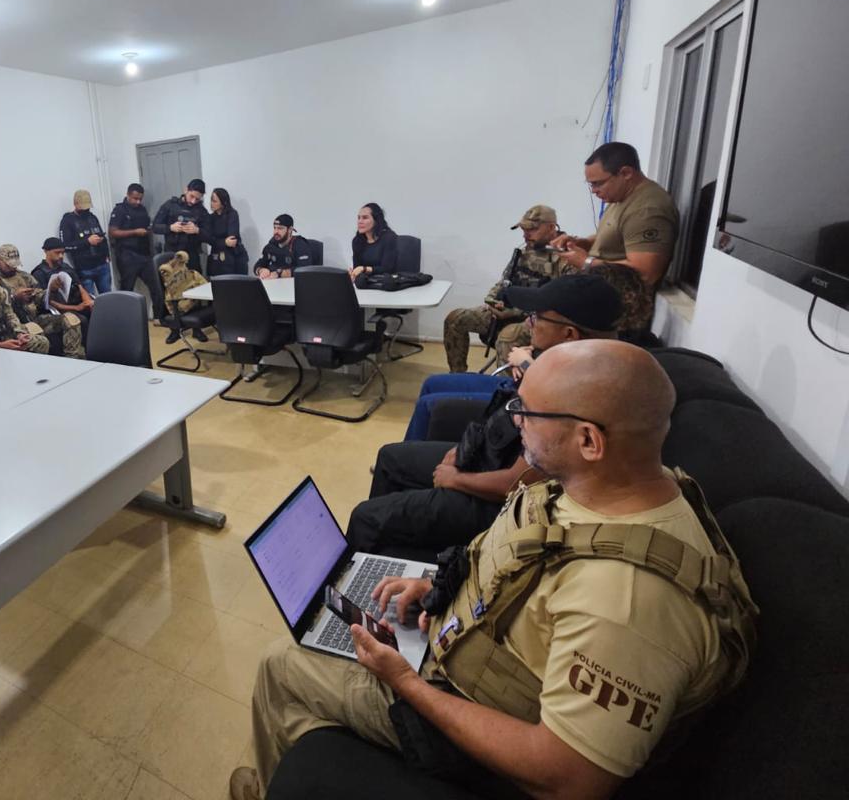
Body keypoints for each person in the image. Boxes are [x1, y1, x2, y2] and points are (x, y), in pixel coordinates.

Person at [232, 340, 757, 800]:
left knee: (282, 664)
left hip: (455, 705)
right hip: (455, 645)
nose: (515, 419)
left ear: (589, 441)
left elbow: (567, 779)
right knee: (315, 676)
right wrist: (434, 585)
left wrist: (406, 683)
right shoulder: (603, 485)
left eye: (528, 411)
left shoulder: (626, 603)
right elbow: (523, 566)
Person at [349, 273, 623, 561]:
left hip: (502, 508)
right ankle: (383, 559)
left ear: (568, 334)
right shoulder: (566, 365)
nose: (529, 324)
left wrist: (456, 479)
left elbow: (516, 484)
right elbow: (503, 422)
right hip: (489, 460)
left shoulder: (573, 397)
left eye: (536, 317)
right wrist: (464, 449)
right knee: (390, 458)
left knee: (366, 518)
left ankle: (362, 570)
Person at [551, 142, 679, 332]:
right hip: (599, 299)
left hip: (617, 314)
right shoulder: (620, 197)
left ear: (626, 173)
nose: (593, 190)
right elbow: (614, 235)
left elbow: (646, 272)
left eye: (598, 183)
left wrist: (586, 262)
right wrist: (582, 243)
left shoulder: (647, 210)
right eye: (590, 184)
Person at [442, 204, 570, 372]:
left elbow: (561, 304)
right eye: (523, 230)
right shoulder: (524, 251)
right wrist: (492, 299)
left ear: (551, 227)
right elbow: (505, 281)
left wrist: (515, 311)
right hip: (508, 310)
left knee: (507, 337)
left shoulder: (566, 257)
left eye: (532, 229)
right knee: (455, 319)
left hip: (540, 320)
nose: (526, 235)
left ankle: (507, 387)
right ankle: (457, 376)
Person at [0, 243, 85, 359]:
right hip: (15, 326)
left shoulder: (24, 276)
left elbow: (40, 297)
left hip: (35, 317)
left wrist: (51, 290)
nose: (12, 268)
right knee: (35, 330)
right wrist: (14, 297)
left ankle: (72, 357)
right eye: (9, 265)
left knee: (71, 319)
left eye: (15, 264)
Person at [109, 183, 166, 321]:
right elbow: (113, 232)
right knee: (127, 290)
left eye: (140, 199)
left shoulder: (142, 209)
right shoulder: (120, 210)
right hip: (127, 255)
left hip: (144, 255)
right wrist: (135, 232)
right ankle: (125, 320)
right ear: (128, 195)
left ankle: (159, 317)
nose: (138, 201)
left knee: (157, 286)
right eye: (135, 198)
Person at [31, 237, 94, 340]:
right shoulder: (39, 273)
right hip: (56, 310)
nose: (60, 256)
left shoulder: (65, 267)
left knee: (96, 313)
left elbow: (80, 287)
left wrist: (88, 303)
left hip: (73, 303)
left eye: (62, 253)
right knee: (81, 320)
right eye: (57, 253)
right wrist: (76, 308)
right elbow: (48, 302)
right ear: (46, 251)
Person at [58, 189, 112, 296]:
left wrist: (106, 254)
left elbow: (102, 236)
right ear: (75, 204)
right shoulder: (68, 221)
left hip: (102, 265)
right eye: (83, 207)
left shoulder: (92, 217)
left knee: (108, 298)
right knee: (90, 300)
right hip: (84, 269)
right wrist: (87, 242)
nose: (86, 210)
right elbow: (65, 246)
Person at [153, 177, 211, 275]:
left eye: (197, 199)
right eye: (191, 196)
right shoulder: (170, 205)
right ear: (186, 190)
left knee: (196, 284)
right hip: (172, 256)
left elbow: (209, 236)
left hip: (192, 257)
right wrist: (170, 228)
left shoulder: (202, 211)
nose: (193, 201)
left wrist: (197, 230)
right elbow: (155, 227)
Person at [254, 214, 316, 278]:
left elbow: (304, 269)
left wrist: (279, 273)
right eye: (275, 228)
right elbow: (258, 265)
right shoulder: (271, 246)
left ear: (290, 229)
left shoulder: (300, 245)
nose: (276, 232)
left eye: (280, 228)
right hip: (275, 282)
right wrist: (261, 270)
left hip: (295, 282)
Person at [206, 187, 249, 276]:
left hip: (233, 257)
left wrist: (217, 241)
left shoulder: (232, 214)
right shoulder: (210, 218)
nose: (211, 204)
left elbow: (232, 239)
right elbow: (209, 239)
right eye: (211, 200)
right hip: (217, 258)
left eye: (215, 201)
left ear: (223, 202)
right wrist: (224, 242)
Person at [350, 202, 399, 280]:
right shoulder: (357, 241)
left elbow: (388, 268)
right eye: (359, 218)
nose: (360, 221)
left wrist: (364, 269)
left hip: (386, 281)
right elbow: (357, 268)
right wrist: (353, 273)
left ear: (376, 220)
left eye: (365, 218)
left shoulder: (389, 237)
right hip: (367, 282)